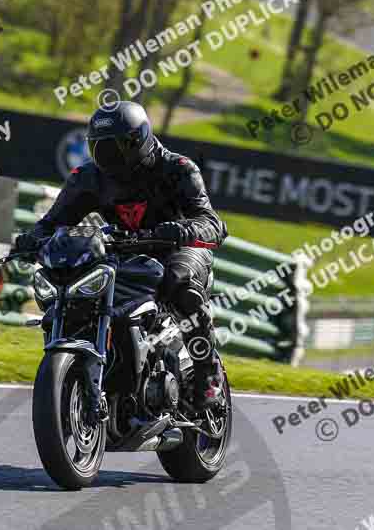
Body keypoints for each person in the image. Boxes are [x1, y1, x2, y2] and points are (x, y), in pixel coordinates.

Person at [15, 101, 228, 410]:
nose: (108, 156)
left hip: (179, 249)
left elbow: (213, 224)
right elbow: (53, 222)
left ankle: (208, 376)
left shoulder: (177, 169)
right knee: (74, 284)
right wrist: (29, 241)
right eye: (100, 147)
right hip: (123, 250)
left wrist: (180, 230)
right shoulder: (88, 177)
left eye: (115, 147)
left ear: (138, 140)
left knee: (178, 283)